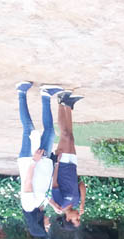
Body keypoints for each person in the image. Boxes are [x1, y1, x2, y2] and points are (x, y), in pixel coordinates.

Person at [15, 81, 64, 237]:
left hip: (31, 159)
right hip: (44, 160)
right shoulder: (40, 206)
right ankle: (46, 95)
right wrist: (54, 205)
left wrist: (34, 161)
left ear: (39, 224)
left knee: (28, 128)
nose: (49, 225)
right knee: (50, 132)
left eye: (47, 227)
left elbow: (28, 182)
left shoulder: (29, 206)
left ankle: (21, 92)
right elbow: (45, 193)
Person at [48, 89, 86, 230]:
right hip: (72, 166)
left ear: (68, 218)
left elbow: (54, 184)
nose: (79, 216)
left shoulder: (60, 204)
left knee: (65, 135)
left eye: (77, 219)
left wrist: (56, 163)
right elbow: (81, 185)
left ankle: (61, 103)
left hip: (62, 164)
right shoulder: (75, 203)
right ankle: (68, 105)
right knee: (70, 136)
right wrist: (82, 203)